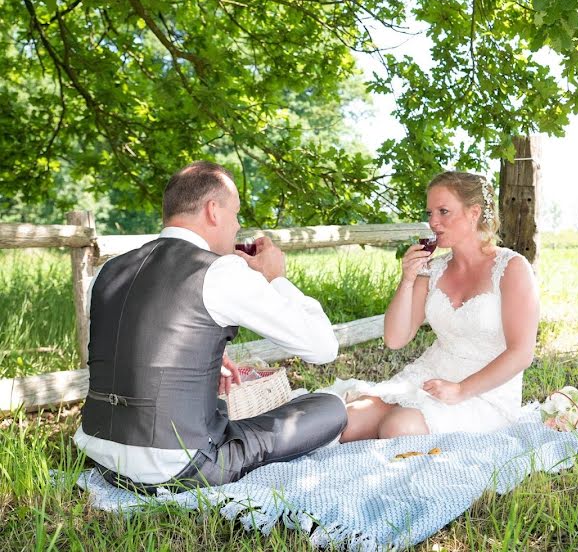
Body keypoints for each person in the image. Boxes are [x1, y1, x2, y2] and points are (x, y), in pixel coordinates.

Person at [74, 161, 347, 493]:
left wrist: (206, 357)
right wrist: (277, 278)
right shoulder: (220, 271)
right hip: (178, 464)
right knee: (330, 407)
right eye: (236, 214)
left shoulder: (109, 270)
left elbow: (129, 343)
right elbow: (323, 348)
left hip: (99, 453)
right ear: (213, 211)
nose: (237, 226)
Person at [334, 171, 539, 441]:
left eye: (443, 212)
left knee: (399, 428)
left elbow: (522, 353)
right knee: (346, 423)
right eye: (430, 212)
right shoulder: (433, 270)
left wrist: (460, 390)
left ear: (474, 212)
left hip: (485, 392)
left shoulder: (511, 268)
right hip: (431, 374)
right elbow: (396, 339)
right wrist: (407, 280)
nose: (433, 222)